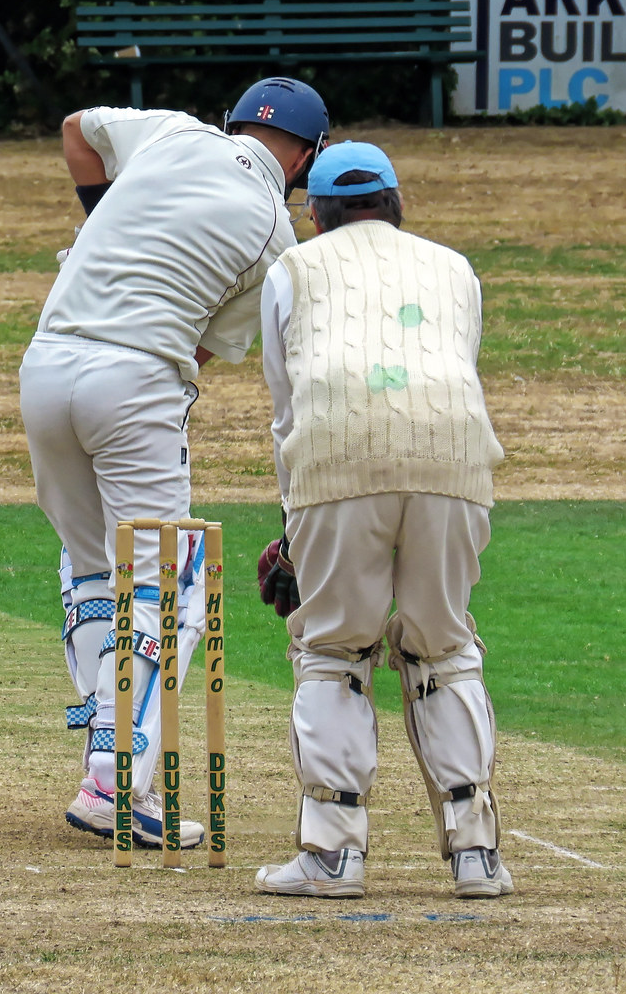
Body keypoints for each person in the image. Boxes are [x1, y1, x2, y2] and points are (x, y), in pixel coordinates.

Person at [19, 77, 330, 850]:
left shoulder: (172, 133)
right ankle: (115, 784)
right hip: (133, 381)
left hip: (45, 362)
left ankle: (105, 741)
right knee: (169, 589)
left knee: (93, 568)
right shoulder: (274, 237)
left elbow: (75, 131)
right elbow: (196, 351)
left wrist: (104, 232)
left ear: (231, 124)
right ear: (306, 158)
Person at [254, 141, 513, 899]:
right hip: (454, 461)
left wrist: (292, 524)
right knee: (444, 644)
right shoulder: (454, 267)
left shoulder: (291, 270)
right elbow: (450, 365)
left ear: (315, 212)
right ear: (396, 204)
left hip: (337, 463)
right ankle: (476, 856)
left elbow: (287, 407)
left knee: (333, 649)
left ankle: (333, 856)